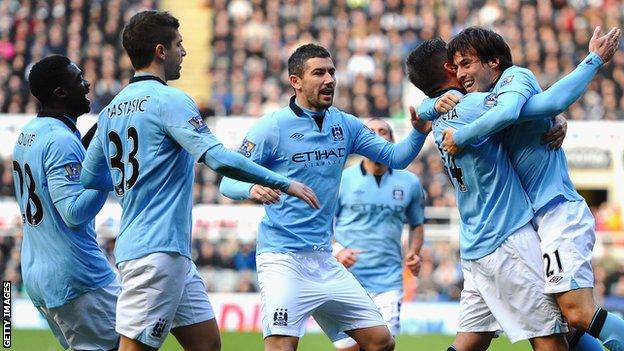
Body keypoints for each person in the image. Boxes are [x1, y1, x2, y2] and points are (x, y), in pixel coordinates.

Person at [80, 11, 319, 351]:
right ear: (160, 51)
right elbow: (218, 157)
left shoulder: (111, 109)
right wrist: (284, 182)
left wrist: (132, 178)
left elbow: (91, 176)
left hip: (163, 248)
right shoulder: (170, 100)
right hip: (155, 251)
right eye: (179, 44)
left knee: (206, 344)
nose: (184, 52)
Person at [417, 26, 624, 351]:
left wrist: (593, 60)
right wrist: (430, 107)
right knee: (564, 322)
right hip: (529, 225)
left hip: (556, 211)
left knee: (576, 313)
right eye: (457, 67)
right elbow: (514, 114)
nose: (461, 73)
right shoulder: (477, 102)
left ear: (493, 61)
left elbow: (536, 105)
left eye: (467, 64)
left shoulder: (516, 79)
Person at [219, 43, 431, 351]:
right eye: (319, 73)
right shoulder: (272, 128)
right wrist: (250, 188)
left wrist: (418, 132)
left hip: (324, 259)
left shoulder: (345, 124)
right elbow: (227, 180)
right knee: (280, 346)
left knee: (381, 342)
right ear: (296, 81)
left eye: (332, 72)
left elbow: (395, 158)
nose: (330, 79)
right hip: (283, 258)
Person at [13, 55, 119, 351]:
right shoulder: (61, 141)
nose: (87, 85)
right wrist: (107, 172)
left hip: (39, 271)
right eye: (79, 79)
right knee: (135, 343)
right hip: (77, 275)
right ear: (61, 92)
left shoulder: (28, 134)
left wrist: (95, 138)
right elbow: (73, 213)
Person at [331, 118, 425, 351]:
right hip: (347, 280)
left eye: (383, 131)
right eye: (370, 131)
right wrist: (337, 250)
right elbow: (323, 225)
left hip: (388, 280)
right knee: (350, 348)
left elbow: (417, 224)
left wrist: (414, 252)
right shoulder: (342, 179)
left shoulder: (410, 182)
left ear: (392, 141)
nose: (376, 135)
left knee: (383, 346)